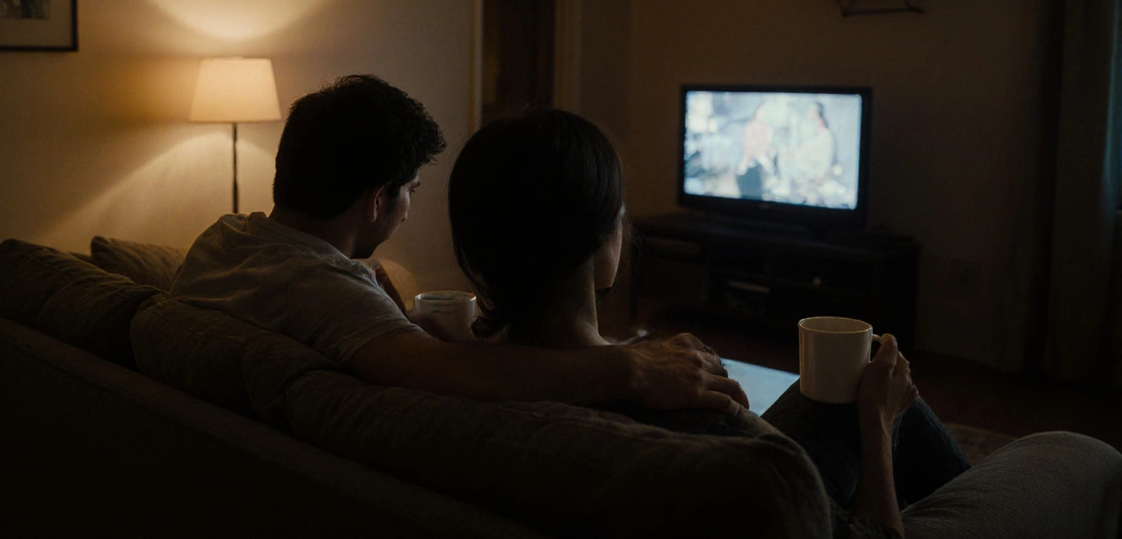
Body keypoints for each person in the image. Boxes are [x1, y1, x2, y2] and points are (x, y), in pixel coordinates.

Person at [447, 108, 972, 538]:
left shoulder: (446, 371)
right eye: (620, 213)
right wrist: (877, 421)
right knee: (880, 394)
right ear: (599, 242)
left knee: (836, 388)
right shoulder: (704, 418)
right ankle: (987, 496)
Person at [170, 74, 747, 411]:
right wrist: (635, 369)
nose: (407, 209)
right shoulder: (319, 289)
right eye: (409, 191)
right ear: (377, 199)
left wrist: (391, 323)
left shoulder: (221, 241)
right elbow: (458, 376)